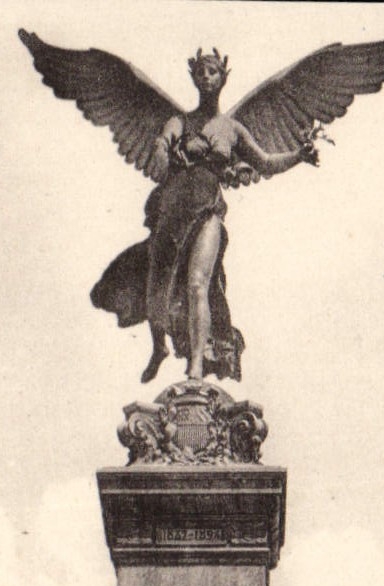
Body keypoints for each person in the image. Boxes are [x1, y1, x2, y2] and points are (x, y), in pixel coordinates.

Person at [91, 50, 317, 383]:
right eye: (201, 73)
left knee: (199, 283)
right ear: (195, 79)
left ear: (223, 78)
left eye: (212, 72)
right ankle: (159, 348)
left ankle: (195, 365)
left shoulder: (233, 128)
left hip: (208, 207)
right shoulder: (179, 122)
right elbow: (160, 149)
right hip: (173, 207)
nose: (206, 78)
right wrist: (164, 150)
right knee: (160, 283)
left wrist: (299, 155)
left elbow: (265, 162)